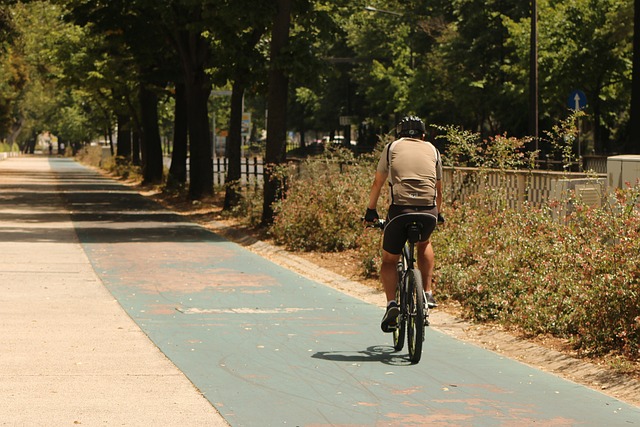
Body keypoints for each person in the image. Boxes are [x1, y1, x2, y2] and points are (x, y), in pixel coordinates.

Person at [364, 116, 444, 333]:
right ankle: (426, 293)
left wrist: (371, 211)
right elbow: (438, 189)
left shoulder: (392, 148)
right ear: (423, 135)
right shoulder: (433, 150)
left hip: (400, 212)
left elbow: (378, 182)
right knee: (424, 242)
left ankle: (391, 305)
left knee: (390, 260)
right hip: (428, 211)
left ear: (398, 134)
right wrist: (439, 213)